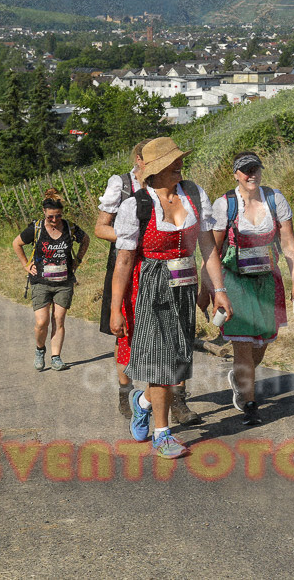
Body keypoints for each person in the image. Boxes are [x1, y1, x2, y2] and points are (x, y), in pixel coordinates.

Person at [109, 138, 232, 459]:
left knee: (177, 362)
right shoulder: (136, 205)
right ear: (155, 170)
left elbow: (207, 247)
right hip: (151, 285)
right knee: (161, 363)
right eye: (171, 162)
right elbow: (123, 262)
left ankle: (142, 402)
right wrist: (115, 309)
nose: (179, 165)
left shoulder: (193, 194)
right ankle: (162, 434)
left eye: (179, 159)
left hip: (185, 284)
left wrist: (219, 291)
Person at [97, 142, 202, 424]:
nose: (176, 165)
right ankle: (130, 395)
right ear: (142, 161)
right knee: (134, 341)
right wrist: (131, 239)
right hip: (139, 270)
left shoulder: (186, 194)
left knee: (178, 346)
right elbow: (100, 228)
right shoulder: (124, 188)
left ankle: (175, 401)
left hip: (179, 276)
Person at [210, 152, 294, 426]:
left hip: (267, 282)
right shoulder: (225, 205)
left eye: (254, 169)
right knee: (242, 346)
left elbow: (288, 243)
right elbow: (213, 250)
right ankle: (250, 404)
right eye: (244, 170)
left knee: (261, 344)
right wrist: (214, 288)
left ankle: (240, 377)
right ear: (235, 174)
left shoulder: (275, 200)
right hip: (235, 283)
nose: (250, 174)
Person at [13, 189, 90, 372]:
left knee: (59, 319)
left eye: (58, 216)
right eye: (51, 217)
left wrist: (77, 261)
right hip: (40, 281)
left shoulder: (70, 227)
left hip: (64, 282)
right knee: (42, 322)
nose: (54, 220)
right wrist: (26, 264)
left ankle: (56, 357)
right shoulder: (37, 228)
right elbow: (16, 243)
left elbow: (86, 240)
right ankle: (40, 350)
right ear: (44, 213)